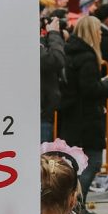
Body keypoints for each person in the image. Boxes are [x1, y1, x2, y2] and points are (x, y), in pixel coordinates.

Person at [59, 16, 108, 214]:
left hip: (72, 117)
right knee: (93, 162)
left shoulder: (69, 52)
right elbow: (90, 88)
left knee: (75, 165)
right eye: (98, 31)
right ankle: (77, 206)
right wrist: (106, 85)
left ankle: (72, 205)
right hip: (88, 118)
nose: (100, 34)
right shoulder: (89, 57)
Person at [40, 14, 65, 143]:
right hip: (40, 116)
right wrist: (54, 33)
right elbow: (56, 59)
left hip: (44, 113)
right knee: (41, 160)